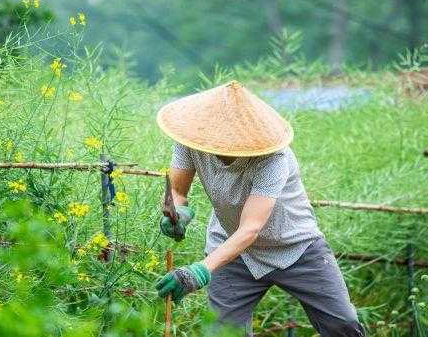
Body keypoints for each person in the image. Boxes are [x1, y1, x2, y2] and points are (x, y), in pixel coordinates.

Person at [154, 81, 364, 337]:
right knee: (224, 333)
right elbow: (177, 191)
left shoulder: (273, 158)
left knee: (343, 325)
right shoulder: (192, 139)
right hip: (231, 250)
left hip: (294, 247)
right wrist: (179, 212)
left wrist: (199, 270)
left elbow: (250, 228)